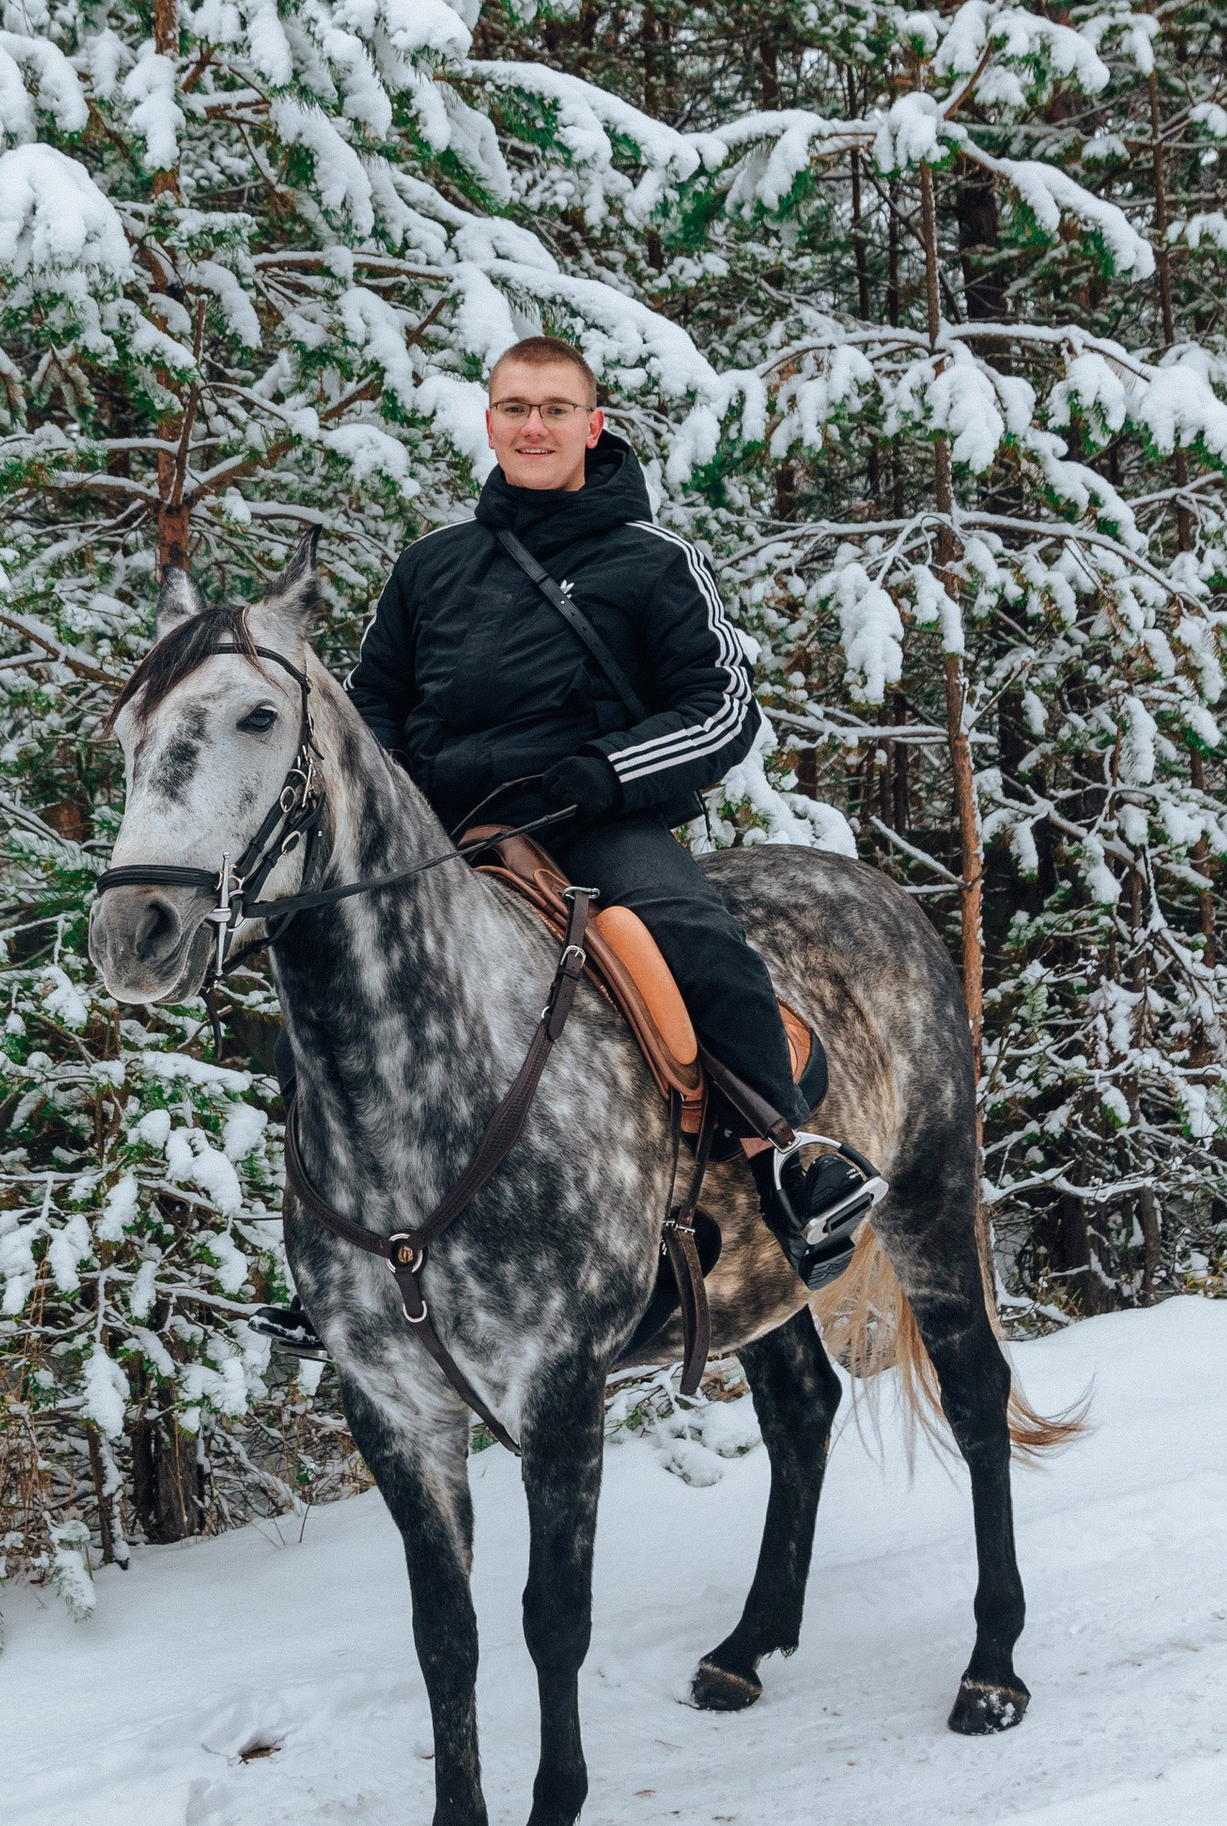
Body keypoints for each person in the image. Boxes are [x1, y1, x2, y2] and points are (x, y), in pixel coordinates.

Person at [346, 337, 874, 1276]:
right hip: (438, 833)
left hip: (591, 817)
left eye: (555, 409)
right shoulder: (428, 566)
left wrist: (609, 771)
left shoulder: (656, 562)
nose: (534, 426)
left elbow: (722, 708)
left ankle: (785, 1157)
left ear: (593, 425)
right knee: (336, 968)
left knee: (688, 931)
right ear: (491, 423)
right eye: (516, 408)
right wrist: (390, 790)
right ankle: (337, 1240)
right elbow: (370, 701)